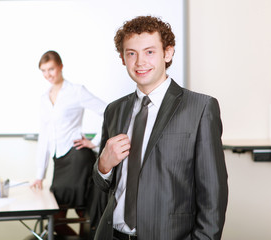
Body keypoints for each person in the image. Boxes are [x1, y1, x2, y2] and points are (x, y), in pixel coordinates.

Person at [93, 16, 228, 240]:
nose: (139, 62)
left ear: (168, 53)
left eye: (149, 52)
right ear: (123, 58)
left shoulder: (201, 108)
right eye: (131, 53)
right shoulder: (114, 110)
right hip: (112, 235)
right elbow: (101, 184)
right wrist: (103, 165)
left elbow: (213, 194)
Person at [31, 50, 108, 237]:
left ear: (60, 67)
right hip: (60, 161)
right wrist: (39, 175)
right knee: (55, 217)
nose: (48, 74)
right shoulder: (44, 99)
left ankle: (89, 237)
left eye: (51, 69)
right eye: (43, 70)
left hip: (77, 158)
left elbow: (108, 111)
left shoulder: (76, 91)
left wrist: (94, 142)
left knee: (84, 213)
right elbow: (44, 137)